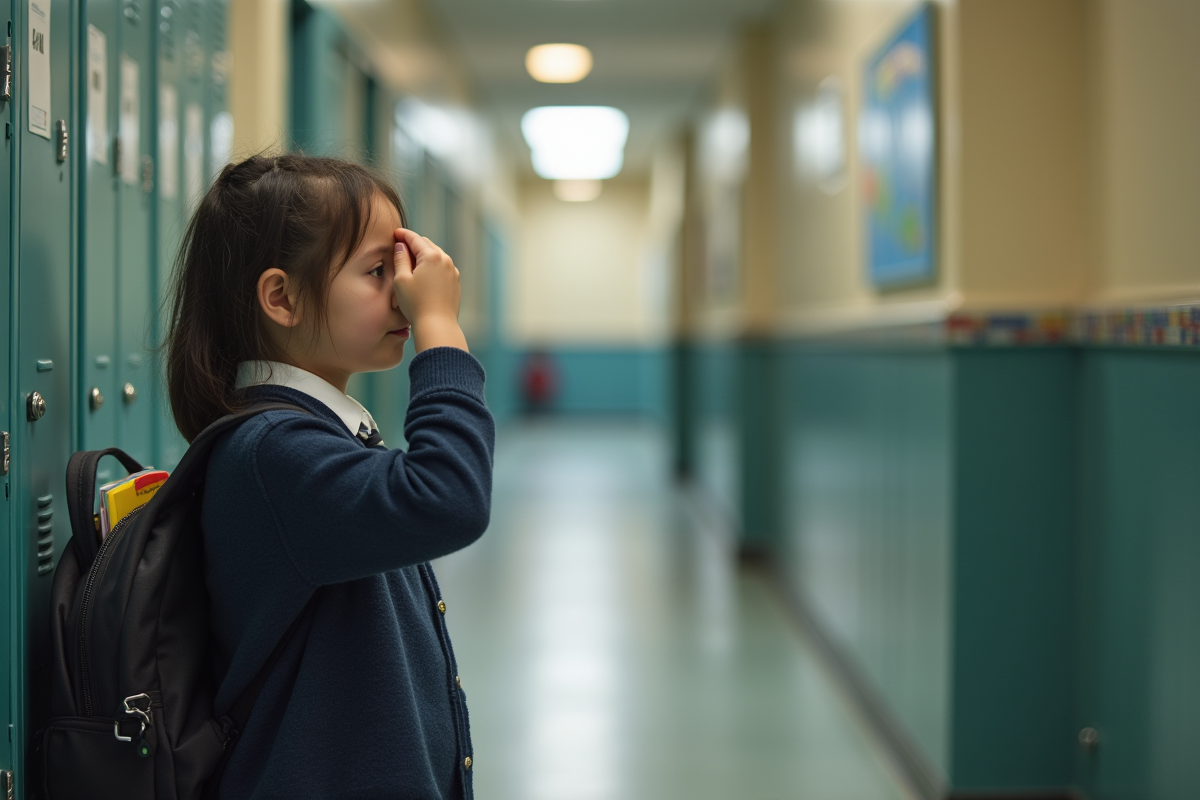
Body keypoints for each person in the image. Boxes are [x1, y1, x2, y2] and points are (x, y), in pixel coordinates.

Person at [163, 154, 495, 799]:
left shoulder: (308, 436)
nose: (402, 291)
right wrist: (441, 331)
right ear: (282, 298)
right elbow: (448, 497)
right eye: (378, 272)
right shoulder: (273, 453)